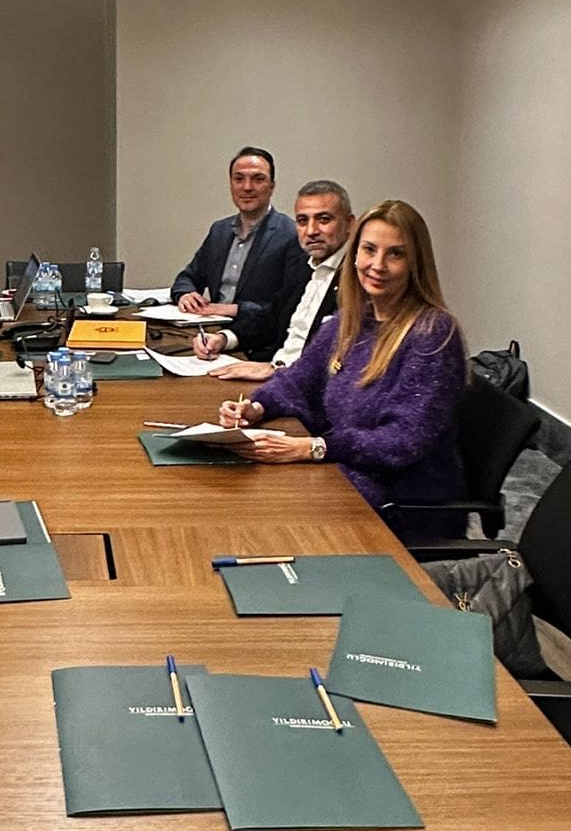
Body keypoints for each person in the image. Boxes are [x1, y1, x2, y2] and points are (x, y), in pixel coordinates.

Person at [218, 198, 467, 538]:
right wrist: (256, 407)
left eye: (395, 254)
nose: (377, 265)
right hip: (346, 475)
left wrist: (315, 447)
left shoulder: (432, 334)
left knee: (264, 523)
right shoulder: (349, 321)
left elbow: (402, 441)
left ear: (415, 264)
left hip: (400, 504)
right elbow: (297, 381)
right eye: (369, 250)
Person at [195, 179, 353, 374]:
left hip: (301, 382)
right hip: (276, 371)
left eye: (324, 219)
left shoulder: (358, 280)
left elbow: (343, 359)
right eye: (303, 221)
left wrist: (276, 370)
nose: (311, 231)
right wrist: (223, 338)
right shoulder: (303, 266)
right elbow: (271, 319)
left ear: (350, 224)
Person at [169, 147, 301, 354]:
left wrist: (234, 309)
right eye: (239, 179)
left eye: (258, 179)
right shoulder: (219, 231)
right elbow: (187, 277)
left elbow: (289, 307)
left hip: (257, 343)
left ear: (272, 186)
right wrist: (186, 294)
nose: (247, 187)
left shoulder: (291, 235)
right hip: (210, 333)